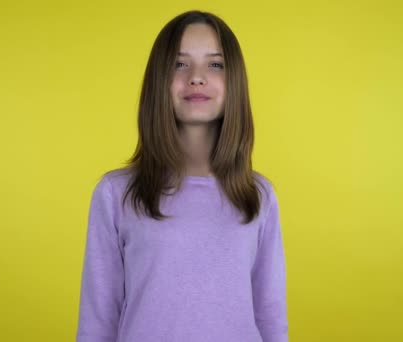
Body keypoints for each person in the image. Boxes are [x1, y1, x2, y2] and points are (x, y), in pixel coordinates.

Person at [76, 10, 288, 342]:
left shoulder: (258, 196)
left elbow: (271, 316)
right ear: (159, 79)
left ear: (235, 81)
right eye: (180, 64)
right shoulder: (116, 194)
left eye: (215, 64)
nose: (197, 77)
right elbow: (98, 321)